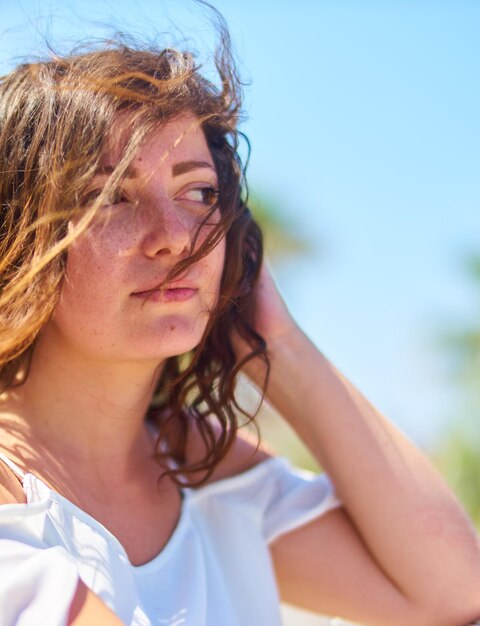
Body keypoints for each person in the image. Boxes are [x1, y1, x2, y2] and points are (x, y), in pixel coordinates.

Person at [0, 12, 479, 626]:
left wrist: (278, 343)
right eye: (109, 196)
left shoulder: (202, 464)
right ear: (18, 237)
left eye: (199, 193)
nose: (174, 238)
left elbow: (452, 589)